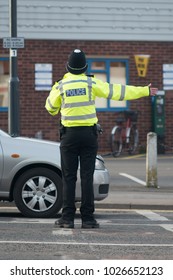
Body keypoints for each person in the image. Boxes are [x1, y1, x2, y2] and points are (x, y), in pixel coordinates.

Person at [45, 49, 158, 229]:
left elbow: (50, 108)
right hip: (89, 135)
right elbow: (118, 92)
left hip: (69, 136)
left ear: (67, 67)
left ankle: (67, 218)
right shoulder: (91, 83)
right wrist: (144, 90)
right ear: (85, 67)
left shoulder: (61, 86)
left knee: (68, 178)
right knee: (87, 177)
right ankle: (88, 218)